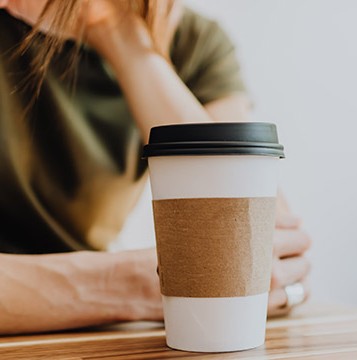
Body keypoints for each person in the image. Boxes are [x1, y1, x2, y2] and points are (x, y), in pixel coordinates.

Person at [0, 0, 311, 334]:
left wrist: (124, 39)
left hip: (85, 337)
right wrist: (129, 284)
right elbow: (226, 263)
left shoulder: (190, 42)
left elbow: (260, 250)